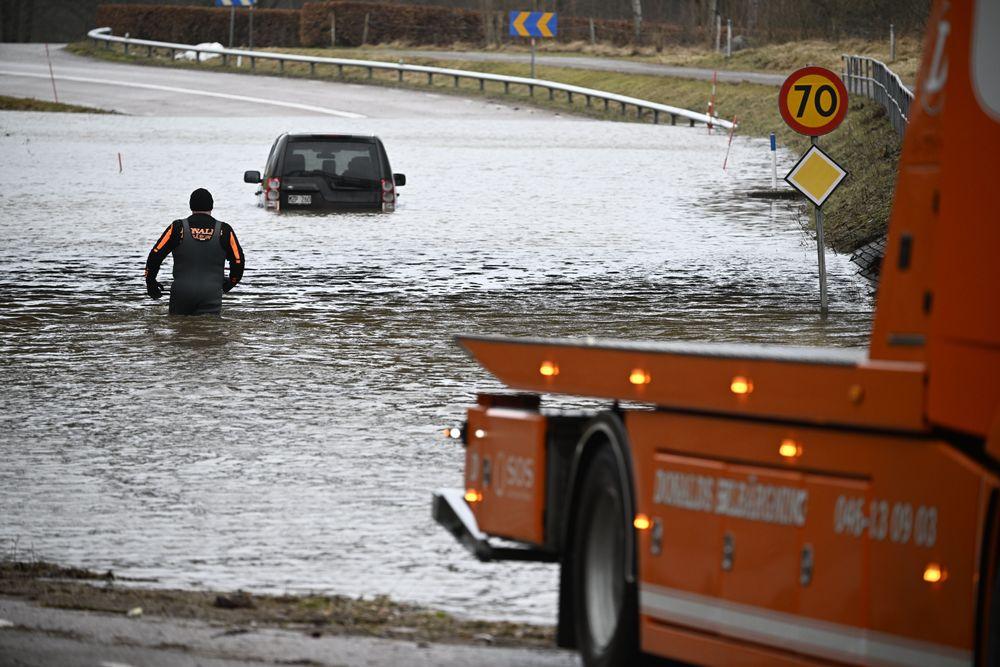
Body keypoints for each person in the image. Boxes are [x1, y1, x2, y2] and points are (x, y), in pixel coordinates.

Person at [145, 188, 244, 315]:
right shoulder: (224, 230)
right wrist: (230, 283)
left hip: (181, 293)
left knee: (179, 330)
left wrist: (150, 282)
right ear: (212, 206)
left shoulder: (177, 227)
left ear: (190, 205)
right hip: (211, 293)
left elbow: (155, 255)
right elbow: (238, 261)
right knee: (209, 330)